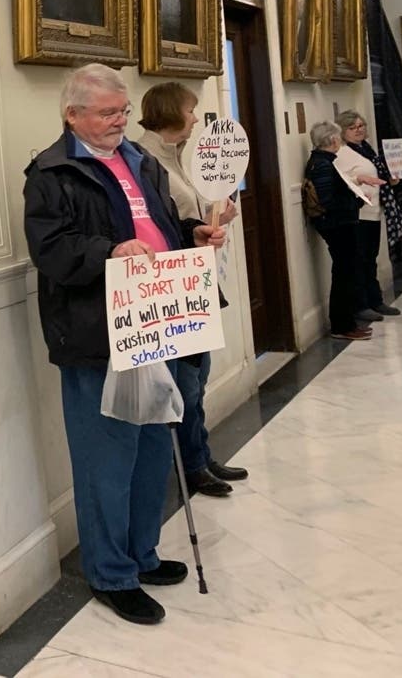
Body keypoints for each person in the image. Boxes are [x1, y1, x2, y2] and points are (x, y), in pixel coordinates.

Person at [24, 64, 225, 626]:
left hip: (157, 321)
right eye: (108, 112)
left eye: (123, 110)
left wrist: (194, 236)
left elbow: (160, 228)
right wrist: (108, 252)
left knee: (153, 448)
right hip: (97, 334)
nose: (120, 121)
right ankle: (111, 573)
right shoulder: (51, 171)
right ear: (73, 115)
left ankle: (142, 554)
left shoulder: (141, 161)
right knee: (105, 458)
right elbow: (53, 252)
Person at [137, 82, 247, 499]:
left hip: (196, 274)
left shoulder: (180, 157)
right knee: (185, 381)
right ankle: (193, 466)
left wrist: (220, 218)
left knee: (198, 377)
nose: (197, 118)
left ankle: (201, 454)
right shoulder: (145, 160)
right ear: (170, 112)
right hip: (171, 284)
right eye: (191, 110)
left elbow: (191, 216)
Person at [304, 122, 374, 342]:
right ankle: (342, 325)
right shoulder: (323, 164)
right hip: (337, 225)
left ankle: (348, 323)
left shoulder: (324, 162)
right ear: (333, 140)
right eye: (338, 139)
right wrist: (356, 202)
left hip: (340, 223)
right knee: (344, 274)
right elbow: (328, 200)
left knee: (347, 273)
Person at [336, 110, 402, 319]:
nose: (359, 130)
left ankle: (376, 301)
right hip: (358, 214)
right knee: (360, 259)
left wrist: (390, 180)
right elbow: (341, 180)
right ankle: (361, 304)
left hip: (373, 210)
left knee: (370, 258)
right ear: (342, 131)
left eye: (361, 125)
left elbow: (378, 174)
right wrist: (360, 180)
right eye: (352, 127)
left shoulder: (366, 148)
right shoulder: (342, 153)